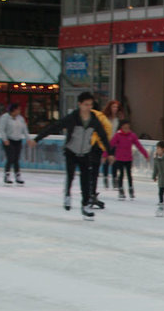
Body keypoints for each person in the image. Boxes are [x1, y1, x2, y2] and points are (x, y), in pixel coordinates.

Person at [34, 91, 111, 220]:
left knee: (86, 180)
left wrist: (110, 152)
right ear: (79, 104)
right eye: (86, 104)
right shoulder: (72, 118)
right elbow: (55, 127)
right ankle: (68, 195)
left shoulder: (94, 119)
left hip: (85, 152)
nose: (88, 107)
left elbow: (103, 135)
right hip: (71, 151)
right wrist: (37, 138)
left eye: (90, 105)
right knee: (70, 175)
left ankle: (85, 205)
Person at [108, 119, 149, 200]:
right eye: (124, 128)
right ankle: (121, 189)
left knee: (129, 174)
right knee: (121, 174)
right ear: (121, 128)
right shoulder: (117, 135)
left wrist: (145, 154)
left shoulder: (132, 135)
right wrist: (106, 154)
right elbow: (110, 145)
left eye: (128, 128)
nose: (126, 130)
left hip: (128, 159)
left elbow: (138, 145)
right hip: (119, 158)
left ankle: (130, 188)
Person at [0, 102, 29, 186]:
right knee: (10, 157)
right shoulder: (5, 117)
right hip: (8, 140)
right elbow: (1, 129)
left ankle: (18, 176)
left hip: (18, 140)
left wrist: (28, 139)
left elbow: (25, 129)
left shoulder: (20, 118)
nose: (20, 111)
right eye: (18, 109)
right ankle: (7, 175)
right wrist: (5, 139)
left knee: (16, 158)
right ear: (14, 110)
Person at [101, 100, 122, 191]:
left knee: (115, 162)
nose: (115, 109)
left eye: (116, 107)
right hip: (106, 142)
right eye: (113, 107)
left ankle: (114, 178)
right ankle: (105, 178)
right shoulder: (105, 118)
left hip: (115, 143)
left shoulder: (118, 120)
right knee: (106, 161)